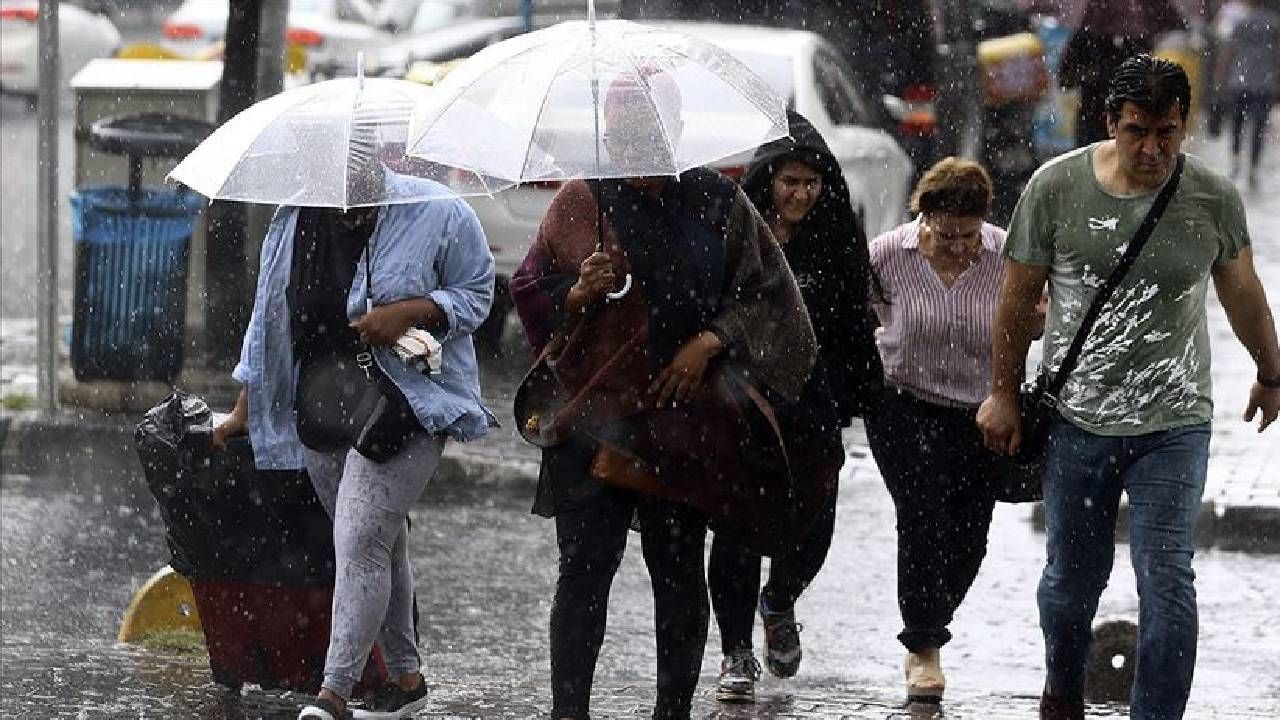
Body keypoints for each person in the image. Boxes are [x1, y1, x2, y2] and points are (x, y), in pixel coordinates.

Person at [976, 55, 1280, 720]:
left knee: (1167, 580)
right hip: (1077, 422)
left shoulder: (1210, 198)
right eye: (1137, 130)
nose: (1152, 149)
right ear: (1110, 122)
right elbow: (1015, 298)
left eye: (1167, 132)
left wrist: (1271, 370)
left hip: (1174, 423)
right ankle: (1061, 690)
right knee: (1069, 586)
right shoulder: (1055, 189)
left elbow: (1242, 289)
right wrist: (1001, 392)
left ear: (1184, 125)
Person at [509, 70, 817, 720]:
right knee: (585, 572)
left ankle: (671, 712)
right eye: (621, 131)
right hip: (593, 419)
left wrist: (712, 340)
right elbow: (529, 287)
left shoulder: (718, 201)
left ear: (674, 130)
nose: (633, 143)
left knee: (676, 573)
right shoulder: (579, 202)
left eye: (646, 129)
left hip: (686, 424)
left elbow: (771, 300)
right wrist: (576, 293)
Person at [213, 167, 497, 720]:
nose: (348, 190)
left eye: (359, 170)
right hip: (321, 409)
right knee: (382, 543)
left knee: (361, 537)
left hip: (409, 402)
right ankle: (406, 681)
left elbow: (478, 293)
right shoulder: (293, 219)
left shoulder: (437, 211)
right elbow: (268, 317)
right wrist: (244, 411)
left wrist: (414, 311)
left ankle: (333, 694)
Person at [707, 110, 880, 703]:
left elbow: (855, 320)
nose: (802, 194)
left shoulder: (834, 235)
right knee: (734, 533)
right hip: (740, 404)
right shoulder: (736, 233)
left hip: (813, 405)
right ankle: (735, 652)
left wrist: (861, 393)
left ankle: (778, 602)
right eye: (790, 182)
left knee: (814, 526)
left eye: (812, 182)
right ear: (767, 182)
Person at [862, 157, 1008, 704]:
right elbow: (863, 320)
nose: (957, 247)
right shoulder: (885, 256)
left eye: (967, 236)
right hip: (902, 404)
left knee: (969, 534)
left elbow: (1031, 318)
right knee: (922, 511)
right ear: (923, 218)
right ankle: (924, 647)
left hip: (978, 410)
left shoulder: (1006, 254)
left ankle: (931, 613)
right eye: (944, 235)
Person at [1217, 0, 1279, 187]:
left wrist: (1221, 77)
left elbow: (1228, 51)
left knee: (1237, 122)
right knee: (1259, 125)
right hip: (1264, 82)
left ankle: (1235, 158)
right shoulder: (1274, 23)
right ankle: (1253, 166)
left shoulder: (1240, 22)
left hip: (1239, 80)